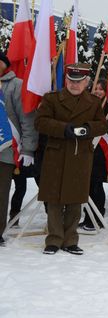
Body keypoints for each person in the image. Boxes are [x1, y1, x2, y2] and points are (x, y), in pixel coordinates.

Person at [34, 63, 108, 255]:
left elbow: (103, 125)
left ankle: (70, 240)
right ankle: (53, 239)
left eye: (79, 81)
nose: (75, 85)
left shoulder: (93, 102)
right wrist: (63, 128)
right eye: (71, 81)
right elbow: (40, 122)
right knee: (54, 199)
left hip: (80, 155)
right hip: (56, 154)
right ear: (66, 80)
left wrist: (88, 128)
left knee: (75, 199)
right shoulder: (51, 99)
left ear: (86, 82)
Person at [0, 52, 38, 246]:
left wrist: (28, 148)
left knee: (1, 192)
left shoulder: (16, 85)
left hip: (6, 149)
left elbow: (27, 119)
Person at [79, 78, 108, 231]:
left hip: (102, 153)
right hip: (87, 151)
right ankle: (87, 217)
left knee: (96, 185)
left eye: (101, 89)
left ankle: (97, 218)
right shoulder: (87, 105)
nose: (97, 91)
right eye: (95, 88)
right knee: (86, 186)